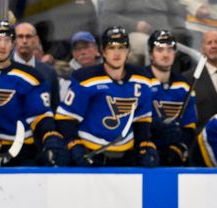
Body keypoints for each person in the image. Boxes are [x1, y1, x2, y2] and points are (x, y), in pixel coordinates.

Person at [55, 26, 157, 167]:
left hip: (127, 154)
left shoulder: (143, 79)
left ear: (128, 51)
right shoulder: (85, 78)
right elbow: (65, 117)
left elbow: (142, 118)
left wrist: (144, 144)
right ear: (103, 51)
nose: (117, 53)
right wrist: (74, 145)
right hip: (91, 152)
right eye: (111, 48)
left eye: (121, 47)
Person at [0, 20, 67, 167]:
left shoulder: (31, 76)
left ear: (13, 44)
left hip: (22, 151)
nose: (2, 45)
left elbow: (39, 113)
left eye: (7, 40)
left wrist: (49, 134)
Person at [145, 30, 198, 166]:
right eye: (160, 50)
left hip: (173, 155)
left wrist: (178, 148)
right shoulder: (140, 81)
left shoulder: (184, 86)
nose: (165, 54)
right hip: (145, 152)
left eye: (170, 49)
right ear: (151, 54)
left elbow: (189, 128)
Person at [12, 22, 60, 110]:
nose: (24, 41)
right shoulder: (2, 68)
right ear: (14, 40)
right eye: (20, 36)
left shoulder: (49, 72)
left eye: (28, 36)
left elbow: (54, 108)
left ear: (36, 40)